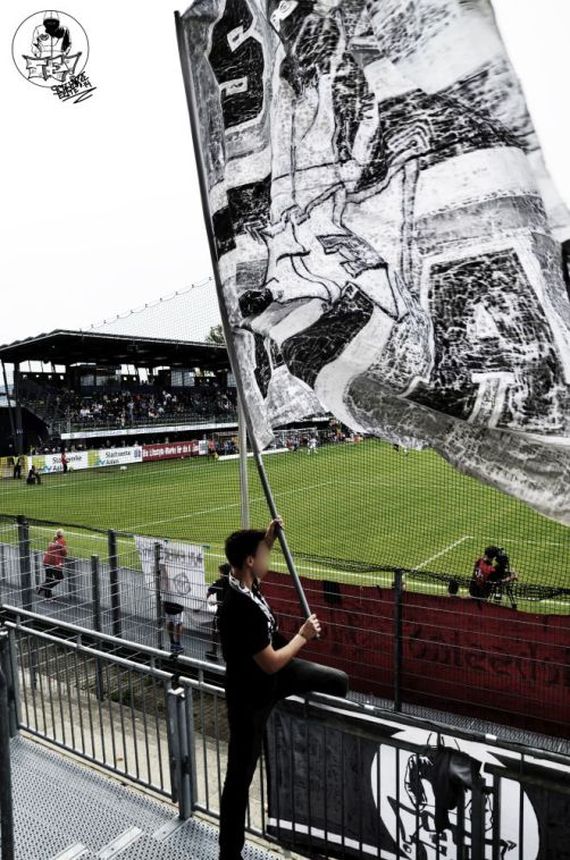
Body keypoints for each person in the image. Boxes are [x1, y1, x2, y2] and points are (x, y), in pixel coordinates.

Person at [218, 520, 349, 860]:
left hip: (273, 678)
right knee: (239, 780)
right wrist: (303, 636)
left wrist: (268, 537)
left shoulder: (247, 583)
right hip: (252, 696)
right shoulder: (237, 607)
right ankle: (229, 853)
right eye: (263, 554)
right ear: (249, 561)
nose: (268, 558)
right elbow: (272, 662)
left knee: (337, 681)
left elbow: (258, 556)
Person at [205, 562, 231, 661]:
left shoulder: (218, 582)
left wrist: (204, 603)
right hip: (231, 612)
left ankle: (214, 653)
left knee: (215, 631)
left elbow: (208, 592)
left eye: (219, 572)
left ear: (222, 572)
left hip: (221, 613)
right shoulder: (234, 583)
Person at [37, 529, 67, 598]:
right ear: (62, 535)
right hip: (54, 562)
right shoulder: (62, 541)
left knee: (48, 579)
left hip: (46, 561)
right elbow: (64, 553)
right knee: (60, 578)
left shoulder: (53, 540)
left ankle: (48, 596)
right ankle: (44, 587)